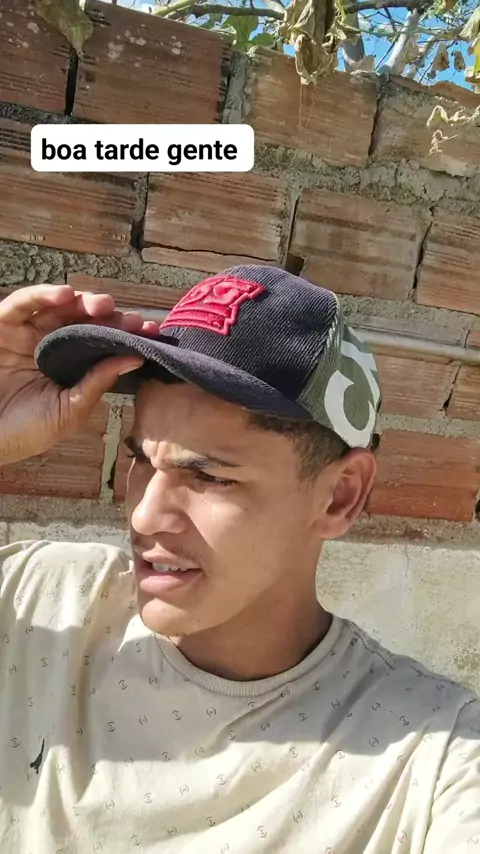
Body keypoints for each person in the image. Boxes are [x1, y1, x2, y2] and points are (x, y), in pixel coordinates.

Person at [0, 265, 478, 854]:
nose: (144, 516)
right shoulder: (37, 595)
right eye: (141, 459)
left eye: (208, 476)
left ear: (339, 496)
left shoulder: (431, 757)